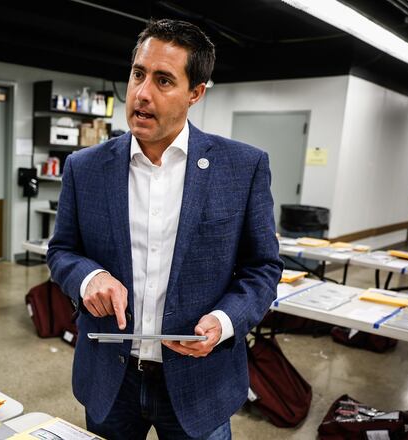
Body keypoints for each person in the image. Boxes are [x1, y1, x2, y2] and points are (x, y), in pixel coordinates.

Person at [47, 19, 283, 439]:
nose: (142, 93)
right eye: (138, 74)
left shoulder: (242, 168)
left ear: (195, 93)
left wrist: (225, 321)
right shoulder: (85, 168)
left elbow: (263, 268)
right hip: (110, 380)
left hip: (200, 382)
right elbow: (62, 251)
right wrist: (89, 278)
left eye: (163, 81)